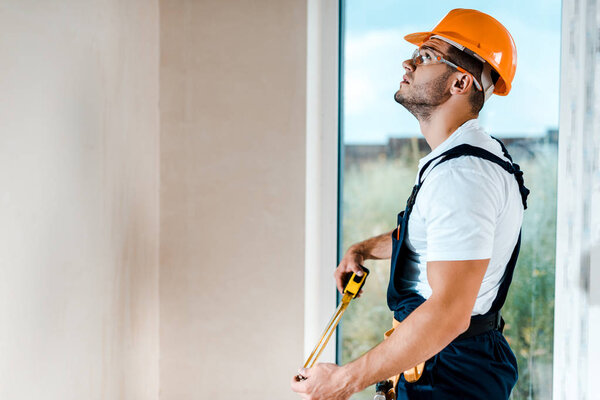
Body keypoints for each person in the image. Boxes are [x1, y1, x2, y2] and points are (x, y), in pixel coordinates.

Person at [291, 8, 530, 400]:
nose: (408, 62)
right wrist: (363, 249)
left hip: (449, 373)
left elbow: (450, 312)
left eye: (427, 56)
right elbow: (437, 237)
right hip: (446, 365)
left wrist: (343, 380)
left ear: (460, 82)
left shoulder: (463, 176)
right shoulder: (463, 159)